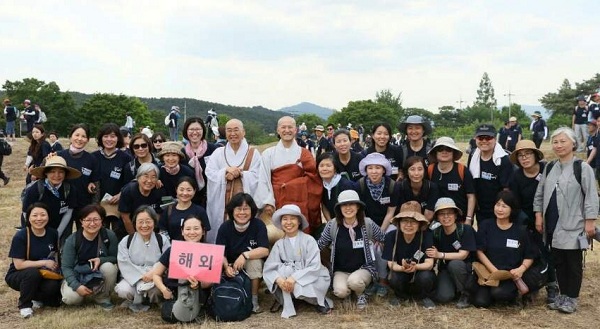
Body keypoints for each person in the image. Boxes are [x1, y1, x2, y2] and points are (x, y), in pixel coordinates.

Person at [534, 127, 599, 313]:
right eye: (555, 142)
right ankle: (562, 294)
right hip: (552, 224)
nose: (559, 145)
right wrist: (538, 214)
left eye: (563, 141)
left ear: (573, 143)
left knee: (573, 262)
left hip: (574, 224)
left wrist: (590, 221)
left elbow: (591, 196)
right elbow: (540, 194)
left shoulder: (582, 167)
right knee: (558, 261)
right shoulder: (549, 167)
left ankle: (572, 297)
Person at [254, 116, 322, 238]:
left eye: (290, 127)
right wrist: (267, 202)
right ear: (278, 130)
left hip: (299, 202)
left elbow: (313, 179)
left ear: (296, 130)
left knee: (299, 235)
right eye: (283, 127)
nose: (287, 130)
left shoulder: (304, 153)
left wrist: (292, 185)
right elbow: (263, 179)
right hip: (276, 200)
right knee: (275, 235)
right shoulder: (268, 153)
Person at [317, 190, 384, 310]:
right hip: (341, 270)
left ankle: (360, 294)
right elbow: (320, 245)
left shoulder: (367, 223)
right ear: (339, 208)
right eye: (344, 205)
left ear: (358, 206)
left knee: (354, 281)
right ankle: (348, 293)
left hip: (364, 268)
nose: (348, 208)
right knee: (340, 291)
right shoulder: (332, 225)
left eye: (351, 204)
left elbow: (384, 238)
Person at [473, 191, 540, 308]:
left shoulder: (520, 230)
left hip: (511, 275)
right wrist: (494, 271)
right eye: (497, 205)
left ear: (512, 209)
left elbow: (529, 256)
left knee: (499, 293)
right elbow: (479, 251)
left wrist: (521, 269)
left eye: (504, 206)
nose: (500, 209)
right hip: (490, 273)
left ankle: (516, 294)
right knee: (481, 302)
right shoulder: (486, 225)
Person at [263, 204, 332, 318]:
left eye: (292, 218)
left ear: (299, 221)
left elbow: (314, 266)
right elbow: (269, 266)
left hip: (311, 277)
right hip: (286, 280)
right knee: (283, 275)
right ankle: (293, 298)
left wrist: (293, 278)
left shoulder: (309, 240)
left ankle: (317, 301)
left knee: (299, 287)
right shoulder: (279, 244)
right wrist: (279, 280)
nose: (288, 222)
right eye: (285, 219)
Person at [508, 139, 556, 302]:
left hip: (551, 216)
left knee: (550, 252)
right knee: (532, 252)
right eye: (520, 155)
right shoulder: (516, 176)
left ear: (536, 155)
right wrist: (528, 223)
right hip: (527, 220)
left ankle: (552, 284)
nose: (524, 158)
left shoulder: (548, 169)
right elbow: (514, 203)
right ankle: (533, 284)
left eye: (528, 153)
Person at [205, 119, 262, 243]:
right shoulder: (218, 153)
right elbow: (209, 172)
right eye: (229, 130)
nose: (232, 133)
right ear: (225, 133)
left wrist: (240, 174)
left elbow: (258, 175)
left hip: (244, 199)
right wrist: (225, 172)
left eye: (236, 130)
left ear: (243, 132)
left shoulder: (254, 153)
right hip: (222, 201)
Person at [5, 203, 62, 318]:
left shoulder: (53, 233)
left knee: (53, 287)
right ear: (28, 218)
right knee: (32, 273)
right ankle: (25, 305)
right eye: (35, 215)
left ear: (48, 217)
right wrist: (44, 263)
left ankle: (37, 298)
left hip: (44, 273)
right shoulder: (21, 236)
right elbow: (19, 264)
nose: (39, 219)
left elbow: (55, 254)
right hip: (20, 274)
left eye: (43, 215)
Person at [216, 193, 270, 313]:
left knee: (254, 262)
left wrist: (244, 255)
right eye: (238, 209)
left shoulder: (258, 225)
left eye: (246, 209)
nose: (242, 213)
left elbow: (265, 250)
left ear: (252, 210)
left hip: (249, 262)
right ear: (232, 211)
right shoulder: (225, 227)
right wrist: (226, 267)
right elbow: (220, 252)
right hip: (230, 264)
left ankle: (253, 300)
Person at [356, 152, 400, 298]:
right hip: (366, 223)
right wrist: (372, 233)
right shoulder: (360, 185)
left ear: (384, 170)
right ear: (366, 170)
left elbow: (391, 212)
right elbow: (360, 212)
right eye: (370, 168)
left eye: (378, 168)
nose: (374, 171)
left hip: (388, 224)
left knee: (382, 245)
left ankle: (383, 281)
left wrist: (379, 234)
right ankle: (370, 280)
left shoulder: (392, 186)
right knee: (367, 245)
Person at [153, 215, 212, 323]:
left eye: (196, 228)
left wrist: (198, 284)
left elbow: (210, 281)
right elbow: (156, 274)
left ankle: (197, 311)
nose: (192, 232)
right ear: (182, 231)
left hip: (200, 294)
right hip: (176, 293)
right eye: (188, 229)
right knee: (168, 315)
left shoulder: (209, 251)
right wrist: (164, 290)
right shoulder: (173, 250)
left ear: (203, 231)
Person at [60, 204, 119, 310]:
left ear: (102, 221)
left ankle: (102, 298)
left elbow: (115, 257)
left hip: (98, 275)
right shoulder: (72, 240)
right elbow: (66, 267)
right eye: (88, 220)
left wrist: (101, 260)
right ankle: (78, 294)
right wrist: (76, 286)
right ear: (81, 222)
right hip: (78, 275)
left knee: (109, 267)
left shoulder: (109, 236)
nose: (92, 223)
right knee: (71, 299)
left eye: (96, 219)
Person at [115, 206, 170, 312]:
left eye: (148, 221)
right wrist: (142, 276)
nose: (144, 225)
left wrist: (153, 274)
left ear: (154, 222)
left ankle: (152, 300)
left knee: (157, 290)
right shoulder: (126, 241)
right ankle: (134, 299)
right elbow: (124, 263)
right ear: (135, 223)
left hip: (155, 278)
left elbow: (166, 262)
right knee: (123, 290)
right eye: (140, 222)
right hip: (132, 278)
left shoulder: (162, 240)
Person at [384, 201, 436, 309]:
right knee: (393, 276)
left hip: (420, 273)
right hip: (400, 273)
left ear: (419, 224)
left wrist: (415, 266)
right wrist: (403, 268)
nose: (408, 225)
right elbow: (391, 264)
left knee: (426, 277)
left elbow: (430, 264)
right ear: (399, 223)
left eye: (413, 221)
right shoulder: (391, 236)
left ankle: (423, 297)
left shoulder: (427, 236)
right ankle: (400, 296)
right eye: (405, 221)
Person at [426, 198, 477, 308]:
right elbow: (430, 253)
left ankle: (466, 294)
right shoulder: (436, 232)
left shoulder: (465, 229)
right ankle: (454, 290)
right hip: (445, 269)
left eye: (449, 213)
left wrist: (440, 255)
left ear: (455, 215)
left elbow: (463, 255)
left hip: (465, 269)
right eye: (442, 214)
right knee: (444, 297)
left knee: (455, 263)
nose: (446, 217)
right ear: (437, 217)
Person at [24, 156, 80, 241]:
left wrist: (57, 234)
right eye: (52, 172)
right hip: (36, 227)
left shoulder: (70, 189)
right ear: (46, 173)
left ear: (65, 174)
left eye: (61, 172)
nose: (57, 175)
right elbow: (25, 212)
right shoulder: (35, 189)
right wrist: (38, 231)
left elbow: (68, 212)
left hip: (60, 227)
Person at [92, 123, 133, 234]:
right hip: (98, 206)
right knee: (100, 235)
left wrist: (121, 194)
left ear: (118, 138)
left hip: (119, 206)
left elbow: (131, 182)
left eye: (113, 136)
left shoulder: (126, 158)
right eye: (106, 136)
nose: (109, 139)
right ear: (101, 138)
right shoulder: (93, 157)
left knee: (118, 235)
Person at [468, 124, 513, 224]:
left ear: (495, 139)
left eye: (488, 137)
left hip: (497, 210)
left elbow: (506, 189)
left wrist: (500, 209)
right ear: (475, 139)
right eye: (480, 137)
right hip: (480, 209)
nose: (484, 141)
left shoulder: (503, 160)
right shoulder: (473, 156)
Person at [57, 124, 100, 229]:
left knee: (84, 238)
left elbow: (96, 184)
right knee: (62, 238)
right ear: (70, 136)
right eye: (77, 135)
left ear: (88, 140)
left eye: (84, 136)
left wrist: (94, 208)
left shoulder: (92, 159)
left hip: (84, 206)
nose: (80, 139)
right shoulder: (59, 156)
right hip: (62, 205)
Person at [427, 136, 476, 224]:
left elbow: (471, 196)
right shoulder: (430, 170)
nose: (444, 152)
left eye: (448, 149)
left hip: (460, 220)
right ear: (435, 152)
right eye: (440, 149)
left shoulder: (462, 170)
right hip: (436, 221)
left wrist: (469, 219)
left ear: (453, 152)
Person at [118, 163, 165, 238]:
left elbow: (158, 214)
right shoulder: (128, 191)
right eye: (146, 176)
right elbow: (125, 218)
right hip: (129, 230)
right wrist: (135, 238)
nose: (149, 180)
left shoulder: (159, 191)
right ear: (138, 177)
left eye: (153, 177)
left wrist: (150, 234)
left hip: (150, 230)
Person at [180, 117, 218, 207]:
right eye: (191, 129)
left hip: (211, 198)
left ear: (203, 131)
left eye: (198, 129)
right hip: (190, 199)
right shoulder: (182, 153)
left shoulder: (213, 149)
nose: (195, 132)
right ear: (186, 131)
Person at [159, 176, 210, 242]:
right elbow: (163, 231)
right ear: (176, 190)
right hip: (173, 249)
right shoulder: (169, 210)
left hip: (195, 249)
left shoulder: (200, 211)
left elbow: (204, 233)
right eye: (181, 189)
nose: (185, 193)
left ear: (194, 191)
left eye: (189, 190)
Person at [317, 153, 355, 223]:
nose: (324, 169)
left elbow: (352, 208)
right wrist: (330, 223)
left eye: (328, 166)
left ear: (335, 168)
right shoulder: (321, 185)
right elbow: (324, 205)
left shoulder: (346, 185)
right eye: (321, 166)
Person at [400, 156, 439, 222]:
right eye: (412, 169)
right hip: (406, 223)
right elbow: (401, 213)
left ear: (424, 171)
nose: (416, 173)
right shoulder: (401, 187)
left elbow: (429, 215)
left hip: (426, 223)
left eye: (420, 169)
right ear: (407, 171)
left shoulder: (432, 187)